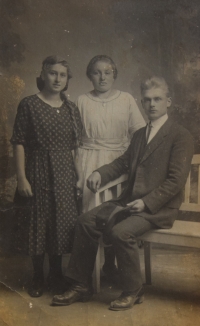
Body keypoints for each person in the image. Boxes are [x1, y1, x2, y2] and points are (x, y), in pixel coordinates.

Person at [52, 76, 194, 310]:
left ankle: (133, 290)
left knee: (121, 232)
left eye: (157, 99)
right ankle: (80, 285)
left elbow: (175, 181)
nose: (152, 104)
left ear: (168, 101)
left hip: (157, 209)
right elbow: (122, 163)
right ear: (141, 103)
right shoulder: (139, 135)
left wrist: (147, 203)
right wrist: (100, 173)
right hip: (129, 202)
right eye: (147, 100)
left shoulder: (180, 135)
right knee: (85, 221)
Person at [10, 55, 83, 298]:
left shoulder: (71, 108)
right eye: (53, 73)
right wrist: (22, 177)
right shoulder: (29, 104)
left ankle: (56, 274)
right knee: (38, 222)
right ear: (43, 75)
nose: (57, 79)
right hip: (38, 169)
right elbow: (19, 142)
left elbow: (75, 148)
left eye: (62, 75)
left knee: (60, 222)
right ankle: (37, 276)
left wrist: (79, 176)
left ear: (67, 79)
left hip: (64, 171)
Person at [77, 55, 145, 278]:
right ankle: (89, 272)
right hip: (89, 160)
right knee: (91, 214)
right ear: (90, 76)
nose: (102, 77)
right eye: (97, 72)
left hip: (120, 160)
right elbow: (73, 136)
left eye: (107, 72)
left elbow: (140, 133)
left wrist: (133, 160)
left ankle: (110, 265)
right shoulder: (82, 101)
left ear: (114, 74)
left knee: (116, 213)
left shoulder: (126, 99)